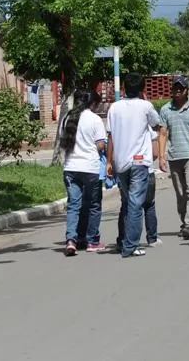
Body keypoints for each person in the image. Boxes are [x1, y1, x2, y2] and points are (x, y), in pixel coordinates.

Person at [106, 72, 161, 258]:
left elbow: (110, 136)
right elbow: (157, 125)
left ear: (123, 88)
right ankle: (131, 245)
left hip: (120, 162)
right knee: (136, 204)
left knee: (127, 203)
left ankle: (122, 241)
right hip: (139, 162)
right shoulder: (146, 106)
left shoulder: (114, 108)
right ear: (143, 89)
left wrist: (109, 161)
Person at [59, 90, 106, 256]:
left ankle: (72, 240)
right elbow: (100, 145)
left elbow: (62, 140)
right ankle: (92, 240)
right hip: (90, 168)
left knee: (73, 205)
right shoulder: (94, 119)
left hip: (70, 168)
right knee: (93, 204)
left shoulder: (67, 118)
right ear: (92, 104)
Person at [158, 76, 189, 240]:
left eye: (181, 88)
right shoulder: (165, 110)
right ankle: (185, 223)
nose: (178, 90)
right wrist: (162, 157)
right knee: (180, 193)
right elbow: (162, 134)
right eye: (175, 88)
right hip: (174, 156)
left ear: (186, 90)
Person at [143, 126, 161, 247]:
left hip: (125, 169)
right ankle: (152, 238)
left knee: (127, 206)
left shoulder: (119, 122)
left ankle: (124, 240)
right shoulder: (146, 127)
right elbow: (155, 153)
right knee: (149, 205)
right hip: (145, 168)